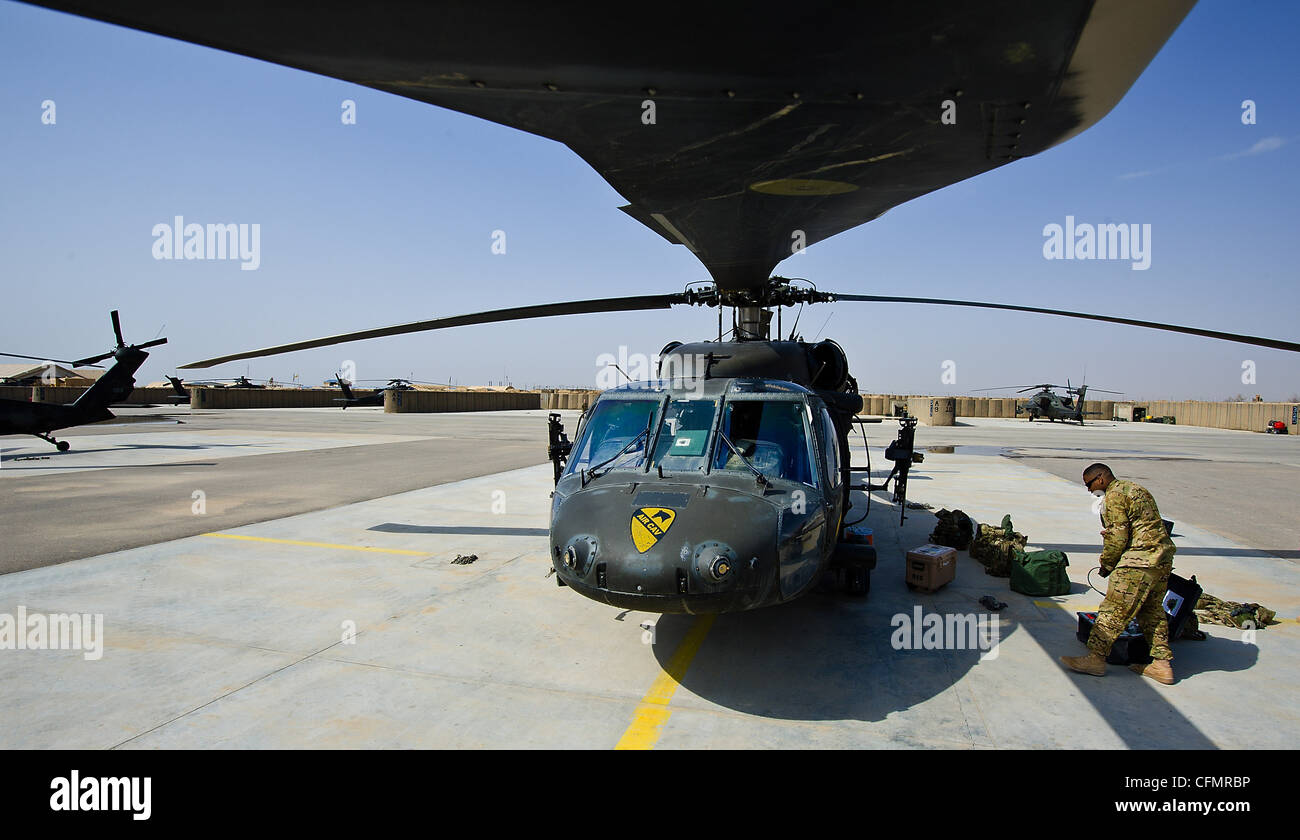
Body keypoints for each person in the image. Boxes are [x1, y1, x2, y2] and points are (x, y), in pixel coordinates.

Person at [1060, 463, 1177, 685]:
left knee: (1113, 611)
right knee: (1152, 612)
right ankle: (1162, 665)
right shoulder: (1136, 489)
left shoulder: (1113, 496)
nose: (1088, 489)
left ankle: (1095, 659)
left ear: (1101, 478)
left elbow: (1118, 537)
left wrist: (1107, 564)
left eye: (1089, 483)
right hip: (1162, 560)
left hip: (1138, 561)